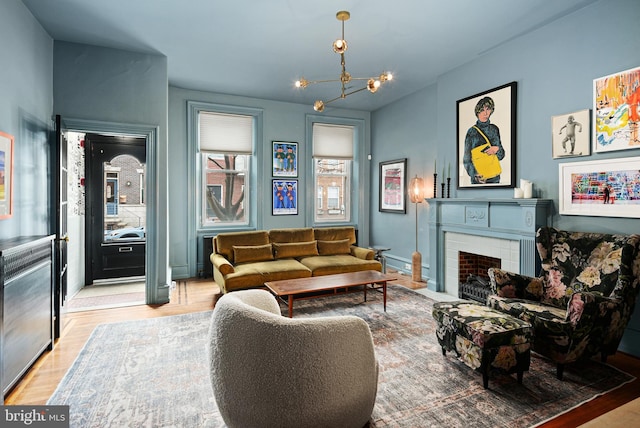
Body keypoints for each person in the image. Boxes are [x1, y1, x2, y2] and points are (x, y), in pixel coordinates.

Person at [463, 97, 505, 184]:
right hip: (478, 179)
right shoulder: (471, 132)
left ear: (491, 110)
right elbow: (467, 159)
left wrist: (497, 149)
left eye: (488, 109)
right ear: (477, 112)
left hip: (494, 178)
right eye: (482, 110)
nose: (485, 113)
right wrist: (475, 174)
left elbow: (501, 155)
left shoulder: (494, 129)